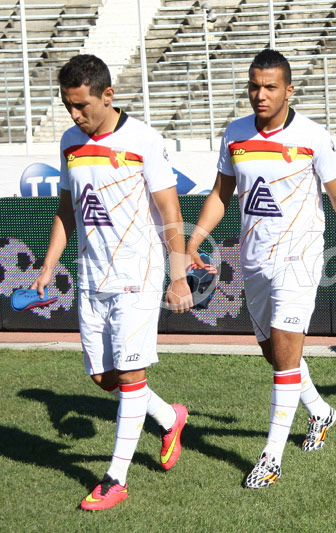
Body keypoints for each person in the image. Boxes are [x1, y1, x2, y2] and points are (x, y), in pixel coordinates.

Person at [186, 48, 336, 489]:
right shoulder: (234, 134)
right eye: (254, 86)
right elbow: (220, 194)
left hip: (300, 260)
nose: (260, 94)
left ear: (289, 90)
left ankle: (270, 458)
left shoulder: (313, 136)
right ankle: (322, 412)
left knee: (285, 356)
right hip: (253, 261)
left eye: (270, 87)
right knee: (277, 355)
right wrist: (194, 239)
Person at [30, 55, 193, 510]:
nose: (74, 114)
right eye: (67, 105)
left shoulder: (144, 140)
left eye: (81, 105)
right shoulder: (68, 142)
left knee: (132, 373)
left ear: (108, 95)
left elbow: (170, 213)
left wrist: (177, 276)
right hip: (91, 275)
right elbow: (67, 209)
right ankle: (169, 416)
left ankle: (114, 478)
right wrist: (49, 265)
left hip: (137, 275)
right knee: (104, 377)